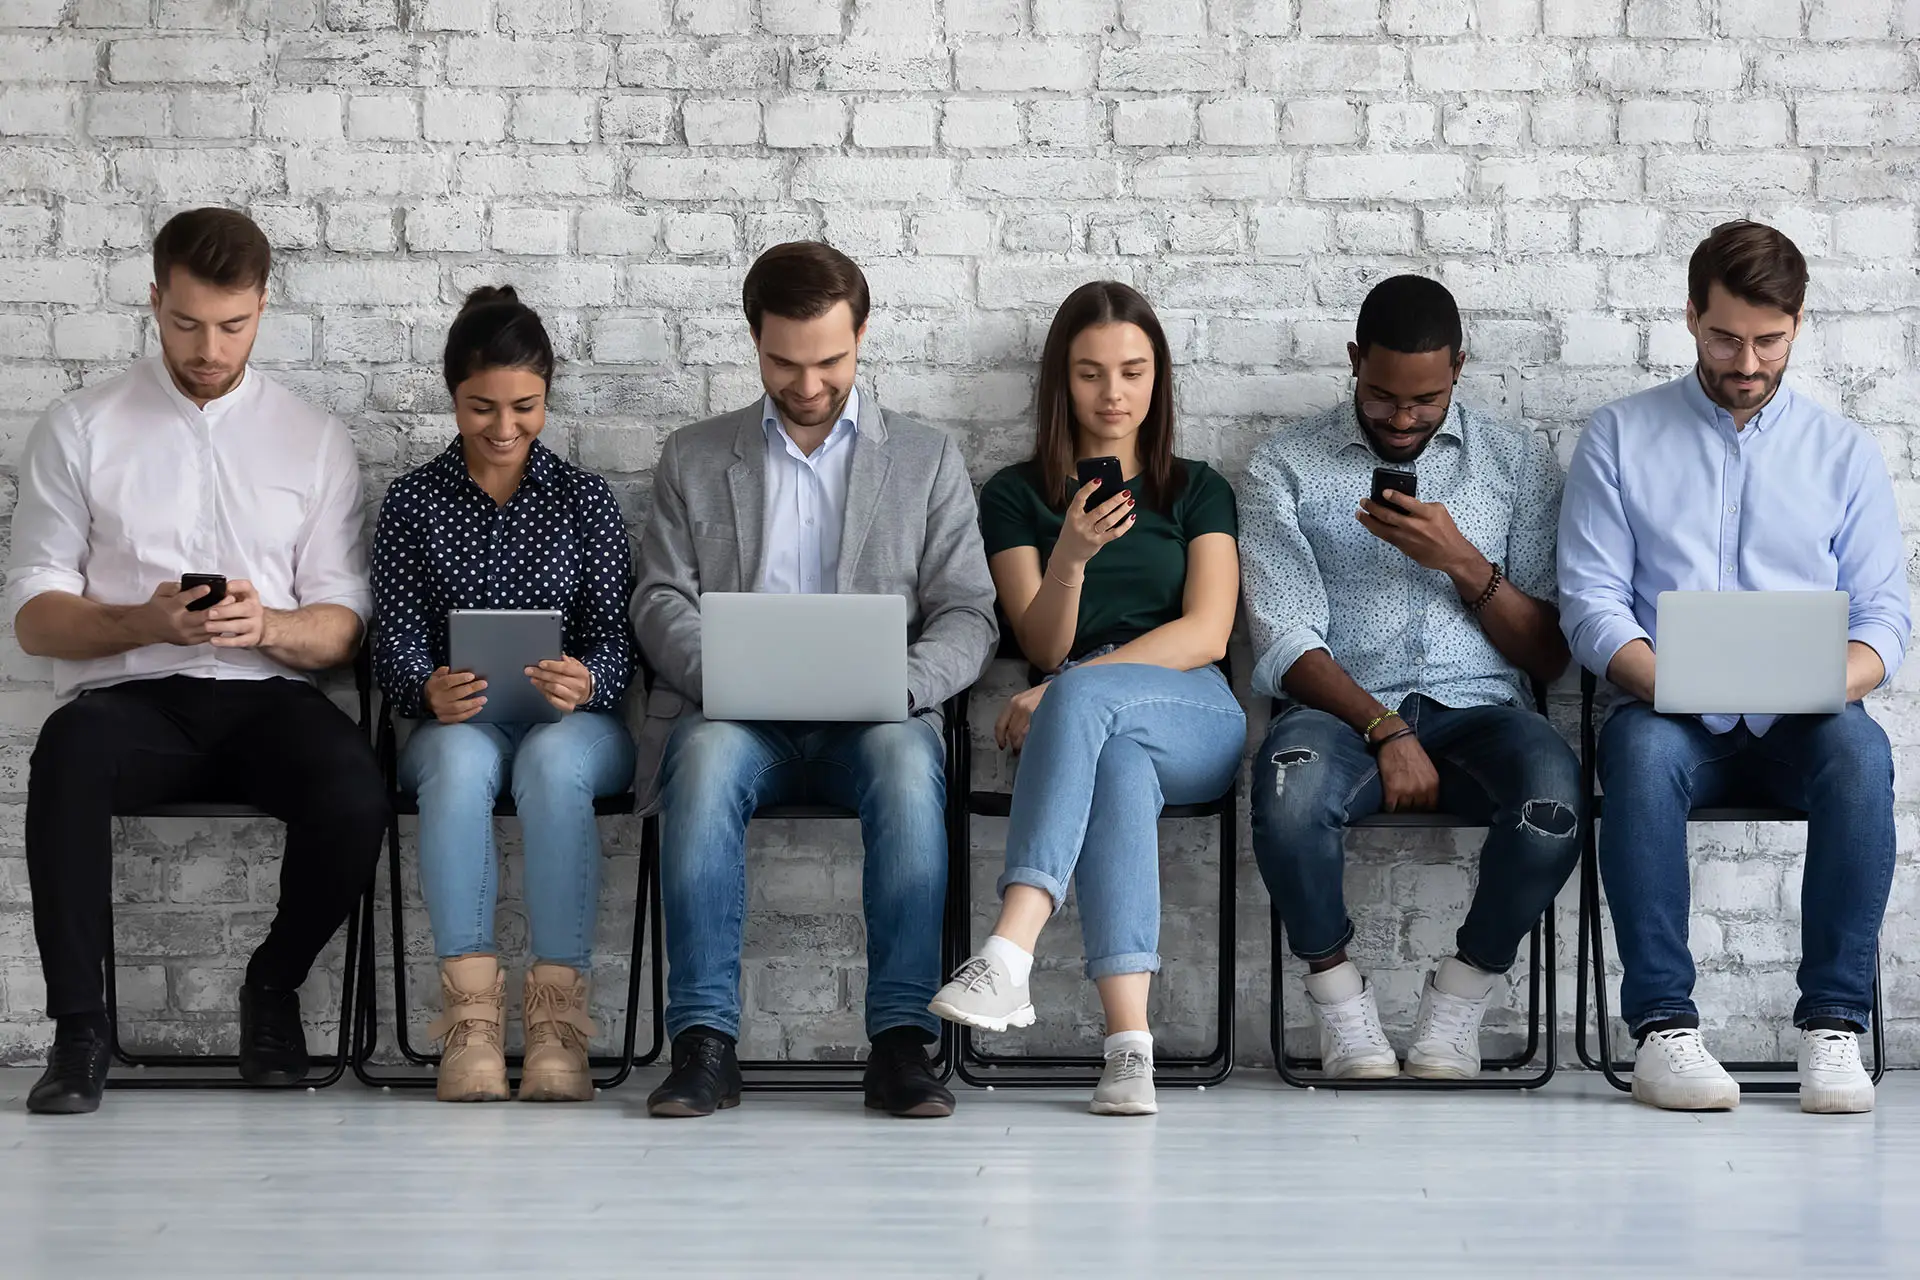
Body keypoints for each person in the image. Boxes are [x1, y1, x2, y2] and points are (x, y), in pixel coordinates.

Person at [6, 208, 386, 1115]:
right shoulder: (80, 428)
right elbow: (33, 617)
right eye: (184, 324)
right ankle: (81, 1031)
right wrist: (144, 620)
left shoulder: (313, 439)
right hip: (133, 699)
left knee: (356, 789)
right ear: (152, 302)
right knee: (66, 755)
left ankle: (272, 987)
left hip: (267, 699)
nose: (209, 348)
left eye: (231, 324)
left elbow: (343, 628)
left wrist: (269, 626)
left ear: (262, 306)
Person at [632, 242, 996, 1120]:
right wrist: (722, 674)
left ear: (862, 336)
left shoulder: (926, 459)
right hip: (735, 716)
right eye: (785, 362)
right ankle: (704, 1044)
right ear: (754, 342)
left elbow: (969, 613)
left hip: (876, 720)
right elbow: (658, 599)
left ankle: (902, 1045)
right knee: (708, 762)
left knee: (911, 769)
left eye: (830, 360)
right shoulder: (693, 455)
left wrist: (899, 687)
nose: (807, 383)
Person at [1558, 221, 1909, 1115]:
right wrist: (1670, 680)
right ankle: (1664, 1032)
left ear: (1797, 324)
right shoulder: (1621, 437)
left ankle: (1834, 1024)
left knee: (1862, 757)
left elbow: (1886, 619)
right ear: (1689, 317)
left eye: (1768, 340)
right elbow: (1592, 604)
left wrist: (1832, 682)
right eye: (1724, 337)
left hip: (1806, 719)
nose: (1745, 361)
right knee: (1633, 755)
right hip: (1668, 712)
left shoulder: (1843, 455)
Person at [1242, 275, 1580, 1081]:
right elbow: (1286, 640)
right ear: (1355, 361)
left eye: (1425, 399)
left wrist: (1463, 563)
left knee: (1555, 808)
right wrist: (1384, 729)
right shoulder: (1281, 466)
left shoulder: (1518, 461)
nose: (1402, 418)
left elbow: (1549, 656)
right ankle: (1341, 1003)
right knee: (1286, 800)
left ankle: (1458, 1000)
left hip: (1484, 710)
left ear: (1460, 368)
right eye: (1382, 394)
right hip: (1340, 711)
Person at [926, 282, 1243, 1117]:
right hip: (1103, 726)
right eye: (1091, 375)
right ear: (1060, 384)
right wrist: (1068, 552)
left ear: (1158, 379)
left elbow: (1209, 633)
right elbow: (1043, 646)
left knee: (1084, 703)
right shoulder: (1013, 495)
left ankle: (1009, 948)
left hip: (1193, 709)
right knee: (1119, 766)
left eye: (1134, 372)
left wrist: (1075, 687)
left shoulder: (1198, 489)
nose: (1114, 396)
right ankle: (1129, 1051)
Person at [372, 287, 637, 1104]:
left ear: (548, 397)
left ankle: (558, 1027)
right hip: (461, 725)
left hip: (575, 725)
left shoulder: (583, 500)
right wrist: (425, 685)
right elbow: (392, 637)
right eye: (480, 407)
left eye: (525, 407)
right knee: (452, 763)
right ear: (452, 396)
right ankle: (473, 1027)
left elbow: (619, 641)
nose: (502, 427)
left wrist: (590, 677)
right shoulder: (413, 502)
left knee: (555, 762)